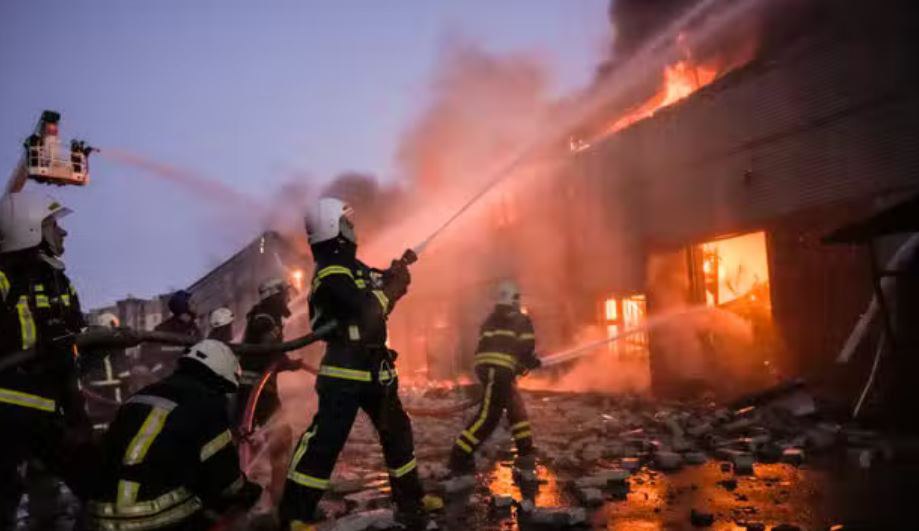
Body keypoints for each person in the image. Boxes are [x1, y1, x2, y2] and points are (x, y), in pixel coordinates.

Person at [280, 197, 433, 529]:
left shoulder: (354, 268)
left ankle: (411, 502)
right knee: (325, 442)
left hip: (375, 366)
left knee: (398, 434)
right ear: (332, 226)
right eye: (346, 223)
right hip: (345, 369)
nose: (352, 228)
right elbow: (364, 309)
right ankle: (294, 516)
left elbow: (378, 295)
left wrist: (395, 276)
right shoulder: (330, 272)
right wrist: (390, 290)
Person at [86, 339, 261, 530]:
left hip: (100, 515)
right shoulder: (207, 404)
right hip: (149, 519)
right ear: (219, 379)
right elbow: (225, 479)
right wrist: (251, 492)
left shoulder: (140, 396)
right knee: (206, 502)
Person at [0, 190, 95, 527]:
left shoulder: (58, 280)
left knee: (95, 485)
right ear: (28, 229)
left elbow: (74, 342)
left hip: (51, 411)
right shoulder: (2, 280)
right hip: (7, 414)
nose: (63, 232)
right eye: (53, 225)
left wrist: (78, 415)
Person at [447, 280, 541, 475]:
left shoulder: (490, 320)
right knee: (489, 417)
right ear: (514, 299)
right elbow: (525, 347)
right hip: (498, 371)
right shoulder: (521, 319)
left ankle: (525, 451)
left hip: (488, 368)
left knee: (516, 408)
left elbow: (493, 346)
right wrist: (530, 362)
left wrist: (516, 365)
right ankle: (459, 457)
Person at [236, 277, 298, 505]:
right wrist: (277, 353)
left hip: (259, 388)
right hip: (258, 390)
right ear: (274, 295)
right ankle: (277, 491)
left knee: (249, 436)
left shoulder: (268, 315)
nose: (288, 298)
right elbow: (266, 347)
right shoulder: (265, 316)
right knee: (280, 436)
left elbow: (272, 354)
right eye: (284, 294)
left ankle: (262, 486)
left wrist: (289, 363)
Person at [135, 290, 201, 386]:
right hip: (169, 376)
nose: (196, 305)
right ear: (183, 306)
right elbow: (149, 353)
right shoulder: (164, 329)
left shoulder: (193, 327)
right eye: (192, 303)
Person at [81, 312, 132, 432]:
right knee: (114, 418)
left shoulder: (87, 338)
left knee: (97, 417)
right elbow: (122, 370)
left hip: (93, 388)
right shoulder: (112, 340)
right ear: (111, 324)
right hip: (112, 387)